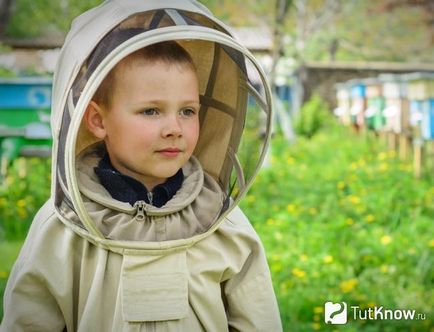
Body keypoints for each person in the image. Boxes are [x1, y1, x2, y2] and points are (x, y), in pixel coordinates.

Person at [1, 1, 282, 331]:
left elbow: (258, 321)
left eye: (188, 111)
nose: (174, 128)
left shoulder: (220, 220)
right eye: (151, 111)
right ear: (97, 119)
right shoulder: (63, 227)